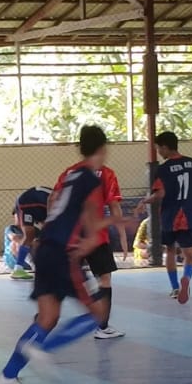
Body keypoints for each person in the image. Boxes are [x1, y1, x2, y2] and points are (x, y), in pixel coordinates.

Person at [0, 125, 112, 384]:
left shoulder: (68, 175)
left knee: (48, 317)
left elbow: (57, 209)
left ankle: (8, 375)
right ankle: (42, 350)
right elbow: (93, 229)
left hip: (44, 247)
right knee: (98, 313)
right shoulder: (92, 181)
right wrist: (104, 229)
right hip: (63, 252)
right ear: (103, 149)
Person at [56, 131, 128, 340]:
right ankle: (102, 326)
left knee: (67, 279)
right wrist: (122, 235)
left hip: (71, 236)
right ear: (102, 148)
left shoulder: (68, 173)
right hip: (96, 235)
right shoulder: (106, 174)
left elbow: (55, 201)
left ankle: (45, 319)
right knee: (104, 278)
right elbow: (114, 206)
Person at [137, 130, 192, 304]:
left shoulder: (163, 169)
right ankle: (187, 278)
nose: (159, 153)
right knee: (189, 255)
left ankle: (175, 287)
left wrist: (144, 201)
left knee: (170, 251)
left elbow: (160, 193)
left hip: (170, 216)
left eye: (159, 149)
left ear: (165, 147)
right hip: (189, 215)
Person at [7, 187, 51, 281]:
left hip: (41, 207)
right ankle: (18, 269)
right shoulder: (64, 201)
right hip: (27, 203)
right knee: (29, 235)